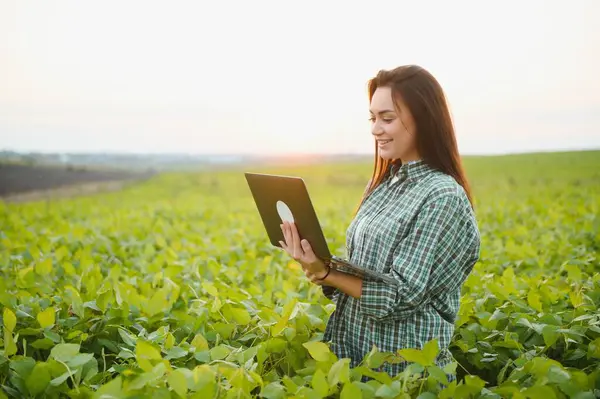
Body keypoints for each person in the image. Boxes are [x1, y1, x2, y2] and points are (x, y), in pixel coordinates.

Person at [278, 64, 481, 382]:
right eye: (372, 118)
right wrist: (321, 271)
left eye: (387, 118)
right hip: (352, 363)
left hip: (402, 375)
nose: (375, 129)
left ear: (424, 118)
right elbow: (363, 273)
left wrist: (328, 272)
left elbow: (401, 296)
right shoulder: (383, 184)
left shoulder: (442, 195)